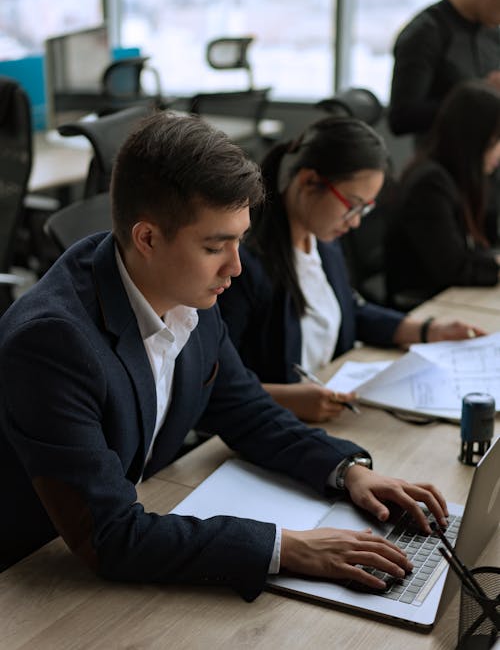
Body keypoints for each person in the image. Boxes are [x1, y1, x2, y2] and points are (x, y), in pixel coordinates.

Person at [0, 111, 450, 600]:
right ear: (147, 238)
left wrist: (348, 472)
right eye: (217, 245)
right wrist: (289, 548)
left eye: (240, 240)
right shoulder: (53, 344)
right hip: (32, 579)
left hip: (133, 530)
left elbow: (244, 408)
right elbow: (110, 537)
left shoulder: (189, 293)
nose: (235, 267)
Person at [218, 116, 482, 424]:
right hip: (266, 424)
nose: (356, 221)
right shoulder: (243, 265)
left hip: (326, 412)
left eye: (365, 208)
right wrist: (286, 400)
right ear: (308, 181)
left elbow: (348, 310)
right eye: (352, 205)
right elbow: (215, 384)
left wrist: (428, 330)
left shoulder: (323, 240)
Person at [385, 80, 500, 304]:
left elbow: (486, 236)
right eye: (495, 141)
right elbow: (454, 268)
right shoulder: (431, 184)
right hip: (427, 302)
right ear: (474, 140)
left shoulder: (464, 176)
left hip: (455, 296)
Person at [388, 0, 500, 145]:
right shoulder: (424, 34)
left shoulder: (493, 29)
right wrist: (479, 95)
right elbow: (400, 118)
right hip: (446, 170)